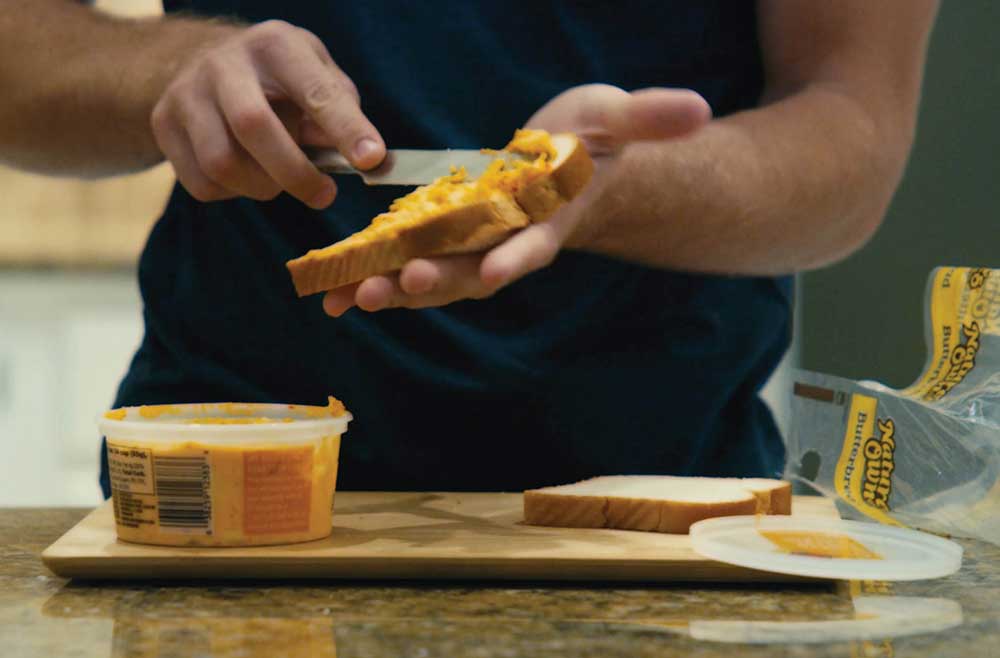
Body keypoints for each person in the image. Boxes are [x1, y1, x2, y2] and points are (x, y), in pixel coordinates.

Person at [0, 1, 938, 496]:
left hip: (664, 509)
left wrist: (611, 189)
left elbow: (854, 122)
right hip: (231, 497)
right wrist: (175, 73)